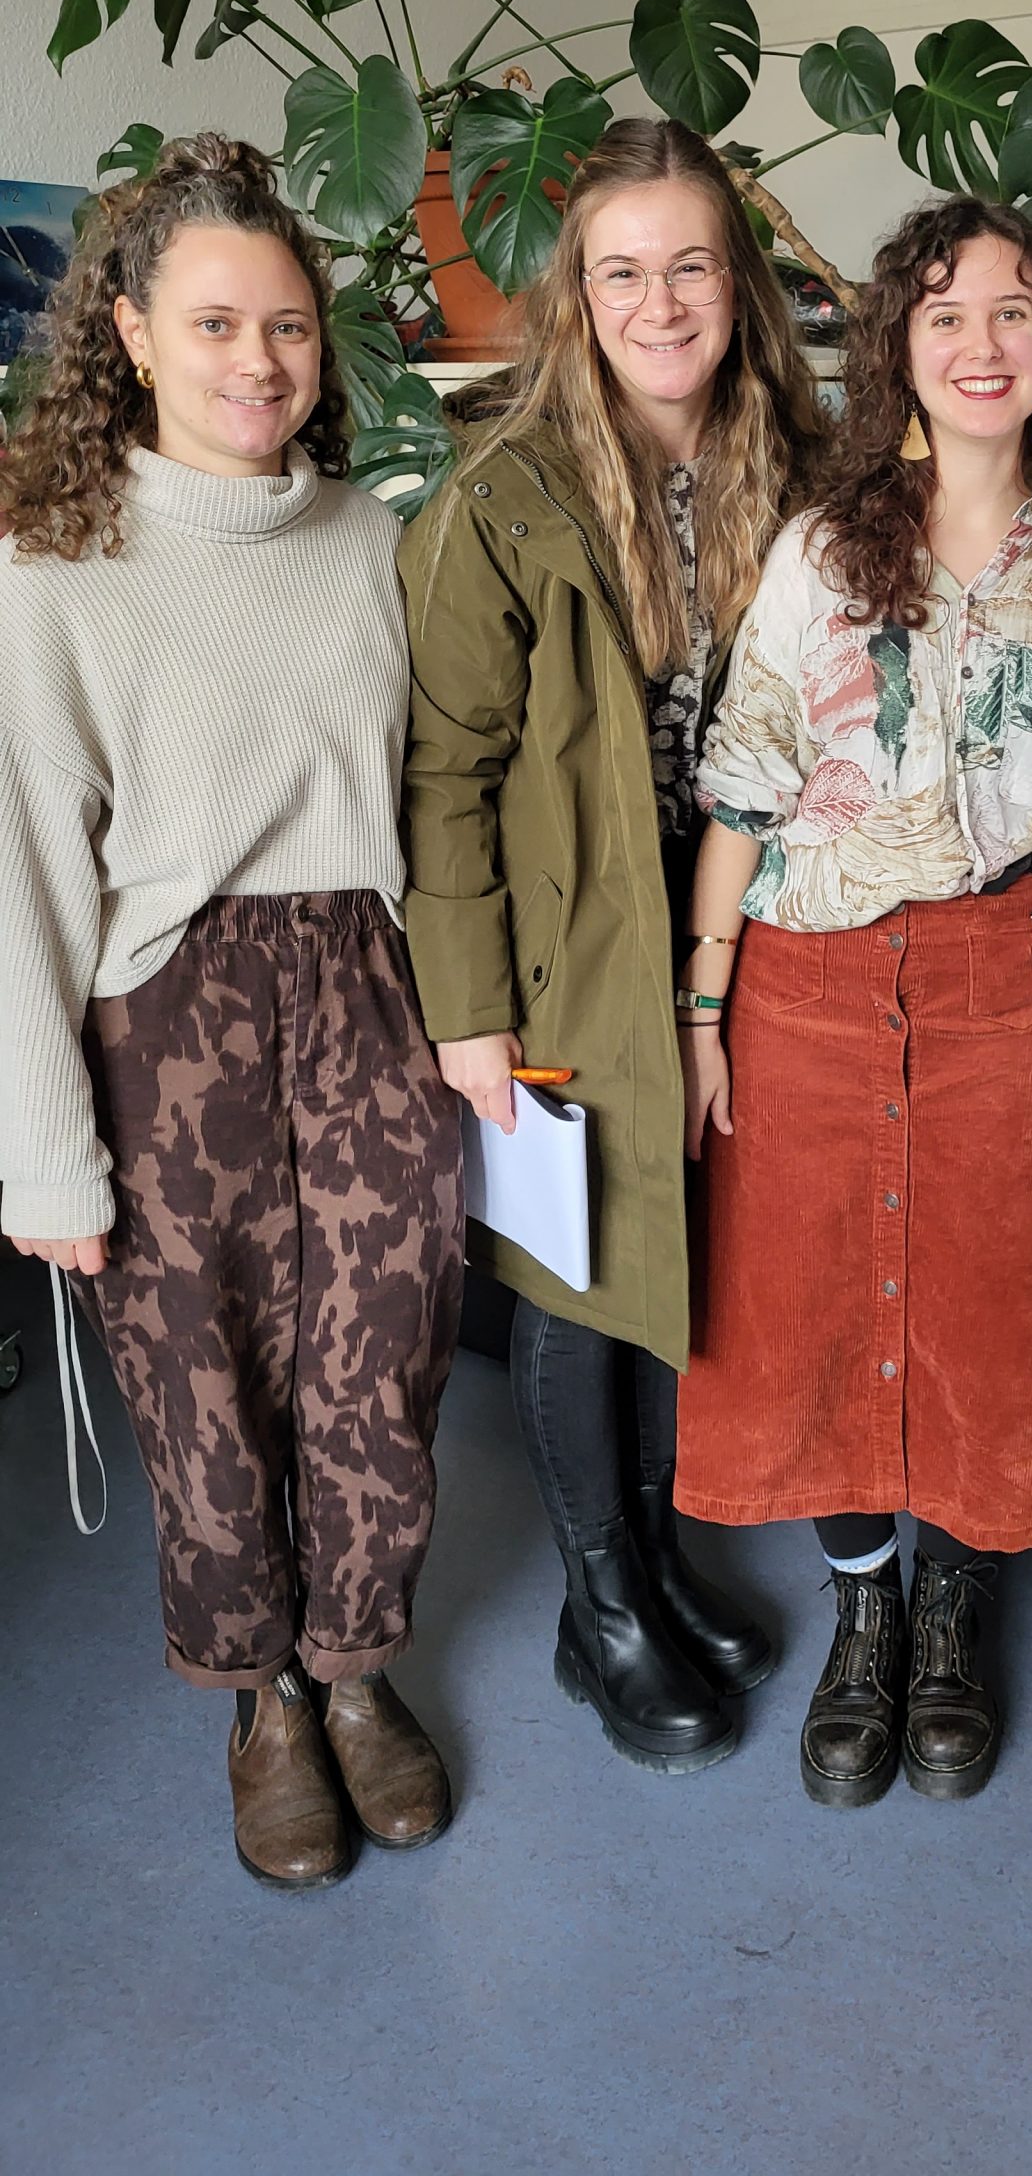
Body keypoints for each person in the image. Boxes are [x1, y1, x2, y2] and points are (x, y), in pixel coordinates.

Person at [0, 135, 463, 1891]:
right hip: (163, 1009)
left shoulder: (369, 541)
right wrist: (45, 1153)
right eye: (213, 325)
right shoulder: (52, 568)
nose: (259, 363)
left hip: (366, 984)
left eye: (286, 326)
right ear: (128, 333)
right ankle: (260, 1696)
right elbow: (23, 876)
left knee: (381, 1358)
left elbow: (434, 797)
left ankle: (356, 1667)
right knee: (202, 1383)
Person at [674, 197, 1032, 1807]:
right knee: (808, 1303)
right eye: (945, 315)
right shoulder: (821, 547)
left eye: (1011, 310)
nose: (981, 343)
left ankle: (958, 1605)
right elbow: (744, 786)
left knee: (995, 1297)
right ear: (899, 353)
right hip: (805, 978)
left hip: (1008, 972)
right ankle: (866, 1607)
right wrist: (703, 1011)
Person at [401, 117, 825, 1774]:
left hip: (729, 926)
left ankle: (653, 1556)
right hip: (570, 941)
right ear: (578, 294)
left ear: (739, 286)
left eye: (690, 267)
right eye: (622, 272)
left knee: (673, 1249)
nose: (660, 305)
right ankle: (602, 1610)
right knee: (581, 1274)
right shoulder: (500, 499)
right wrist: (468, 1013)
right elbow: (444, 778)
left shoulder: (791, 463)